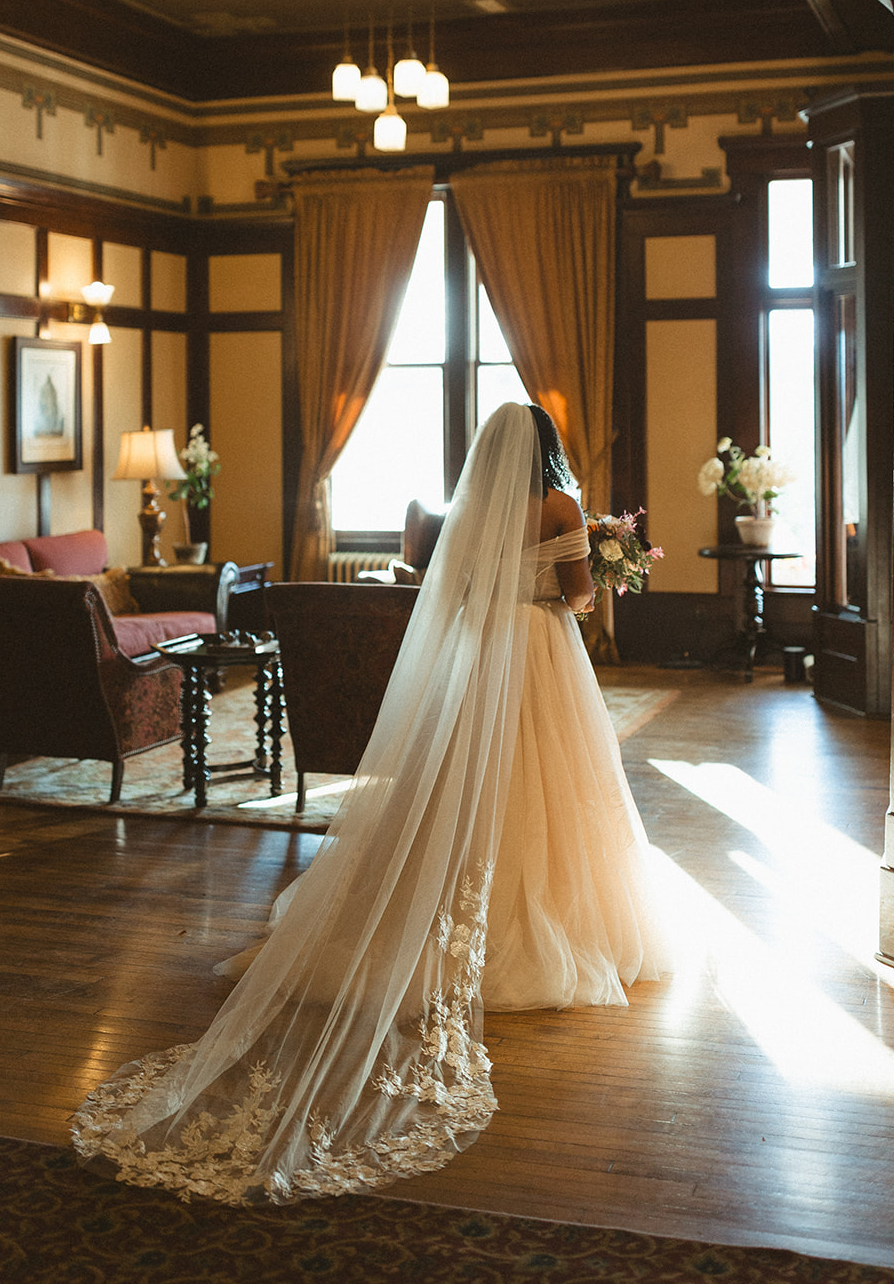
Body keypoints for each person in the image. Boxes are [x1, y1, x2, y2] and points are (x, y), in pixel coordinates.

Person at [72, 403, 672, 1204]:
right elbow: (576, 601)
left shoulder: (470, 511)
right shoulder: (559, 507)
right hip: (538, 654)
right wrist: (596, 568)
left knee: (456, 789)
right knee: (554, 787)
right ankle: (548, 911)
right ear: (547, 451)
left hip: (479, 661)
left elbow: (449, 597)